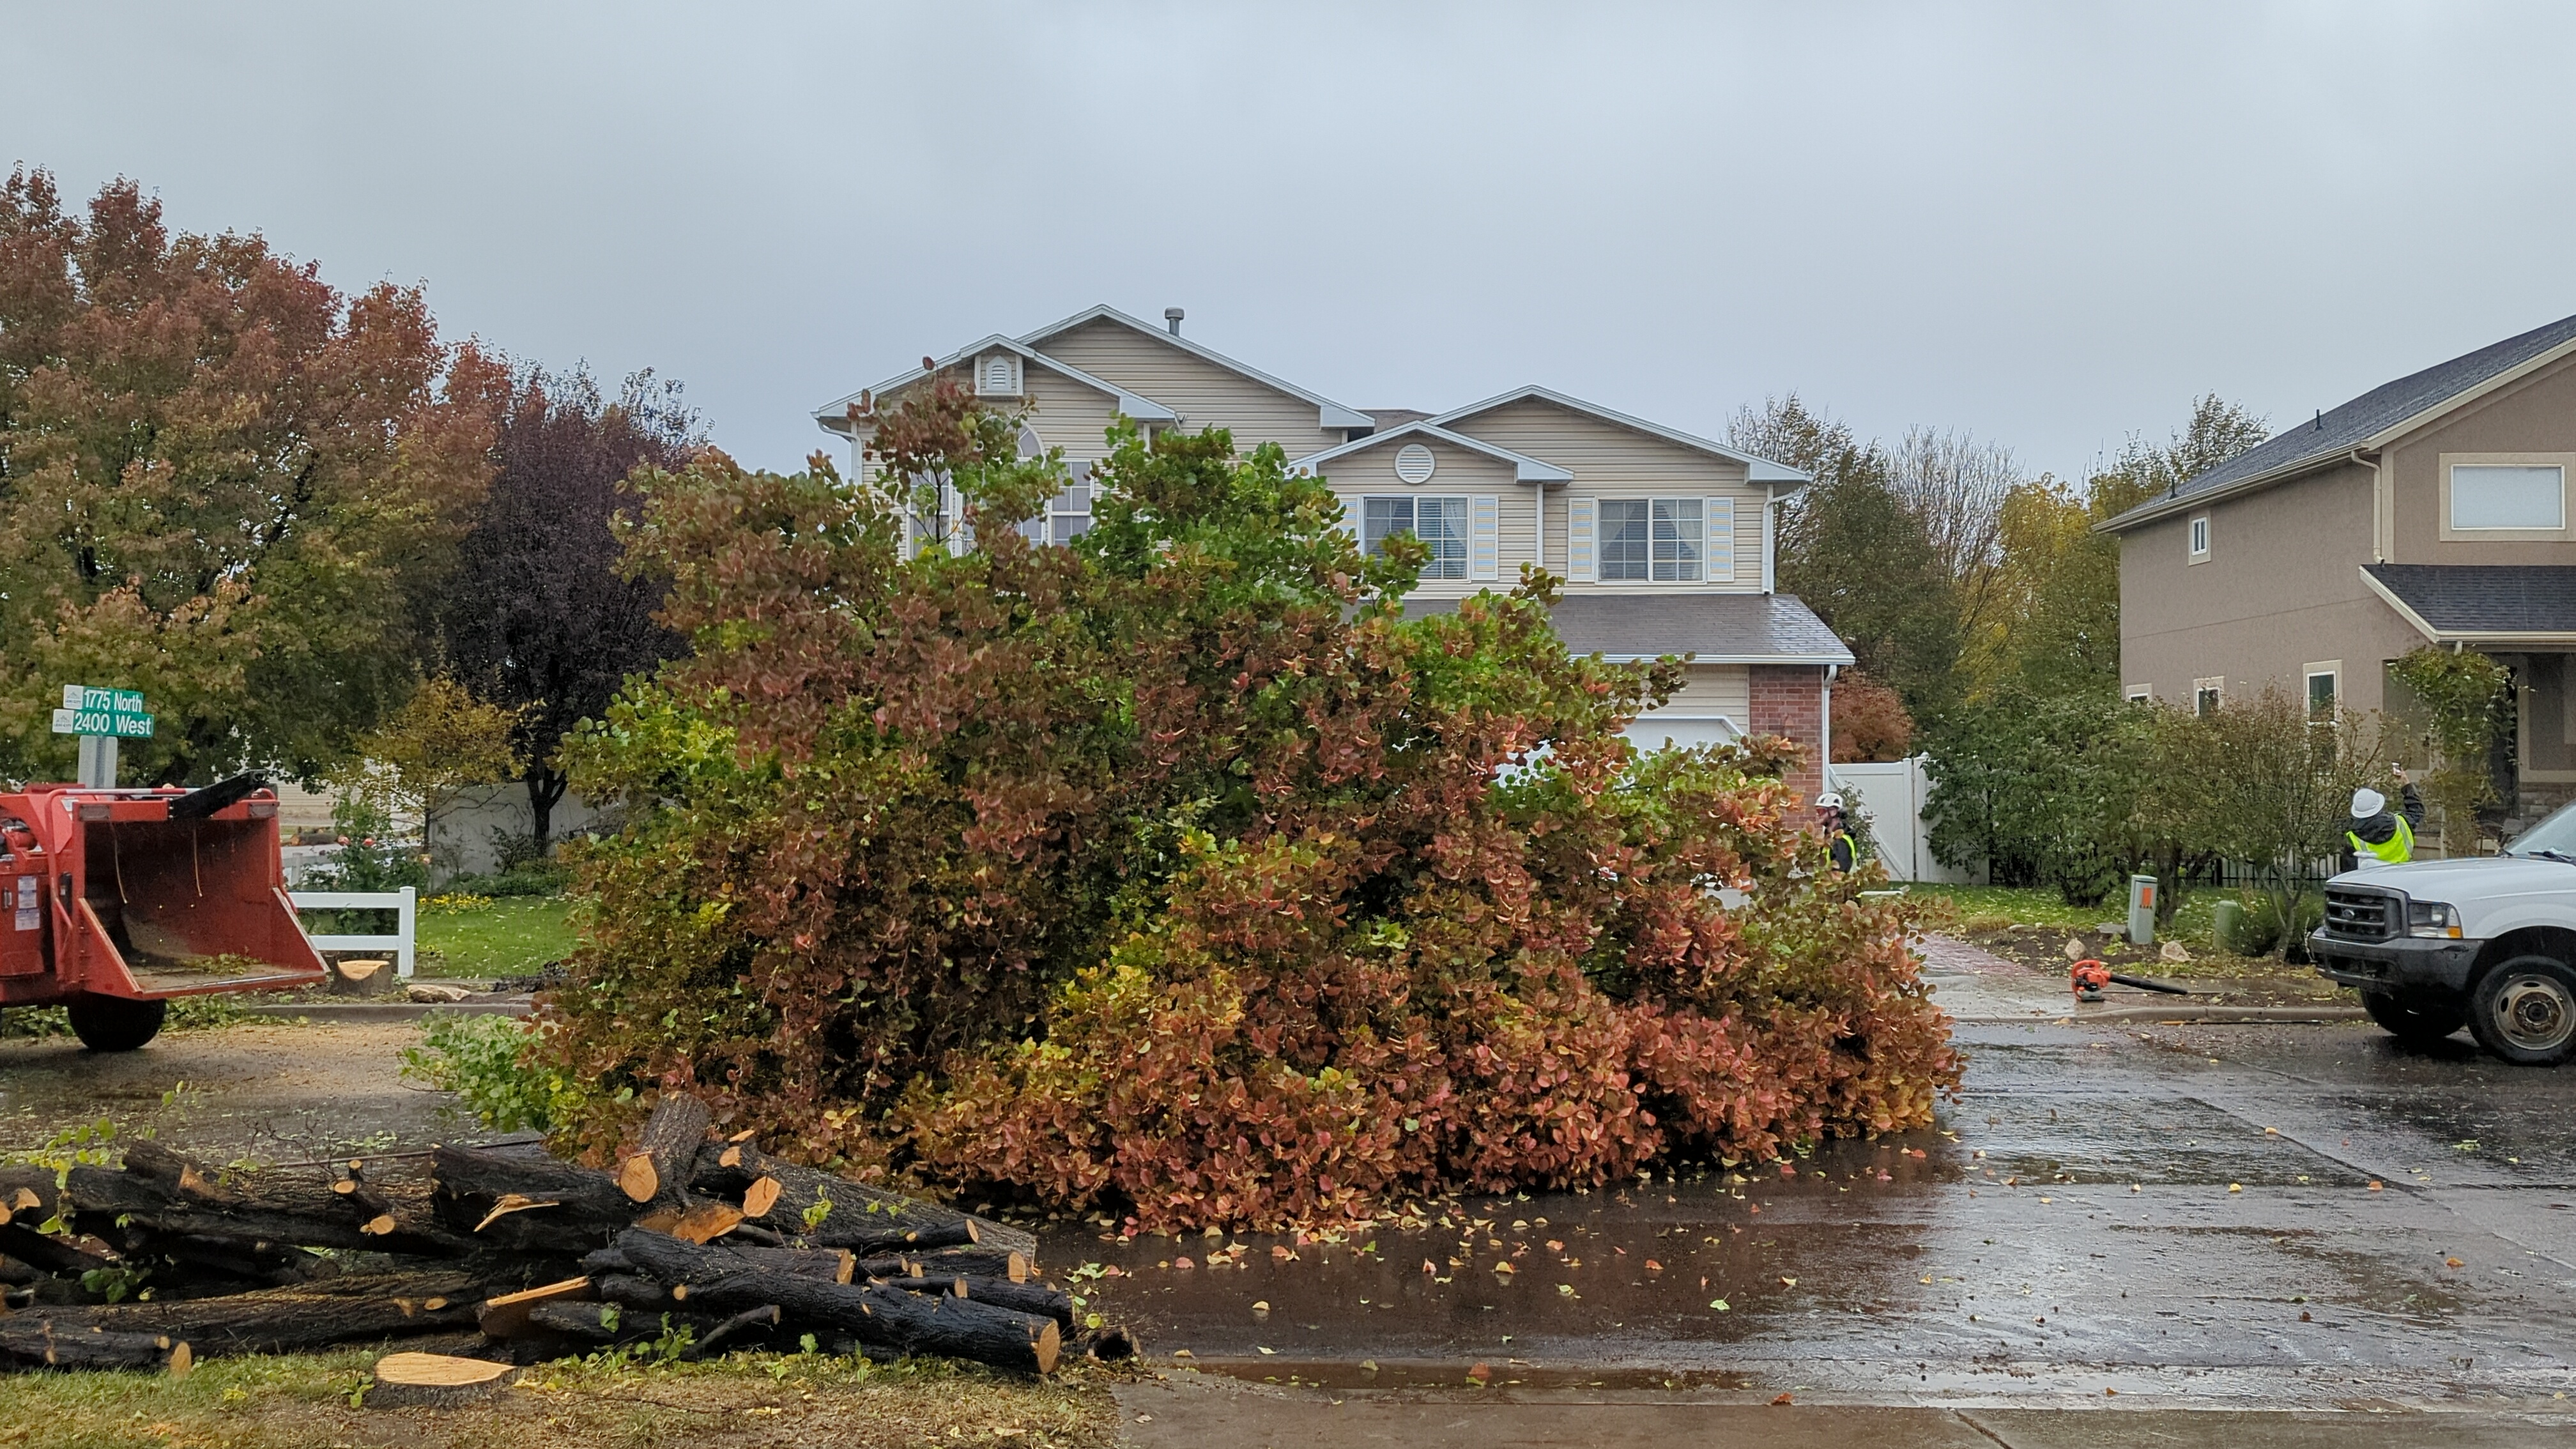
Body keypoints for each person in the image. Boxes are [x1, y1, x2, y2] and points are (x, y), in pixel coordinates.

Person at [2346, 767, 2425, 866]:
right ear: (2380, 806)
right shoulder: (2401, 823)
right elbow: (2417, 811)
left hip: (2372, 880)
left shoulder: (2353, 838)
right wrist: (2406, 784)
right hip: (2403, 876)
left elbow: (2349, 870)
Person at [1817, 792, 1859, 873]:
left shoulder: (1840, 842)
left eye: (1821, 811)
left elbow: (1839, 875)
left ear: (1833, 812)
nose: (1818, 814)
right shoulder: (1829, 838)